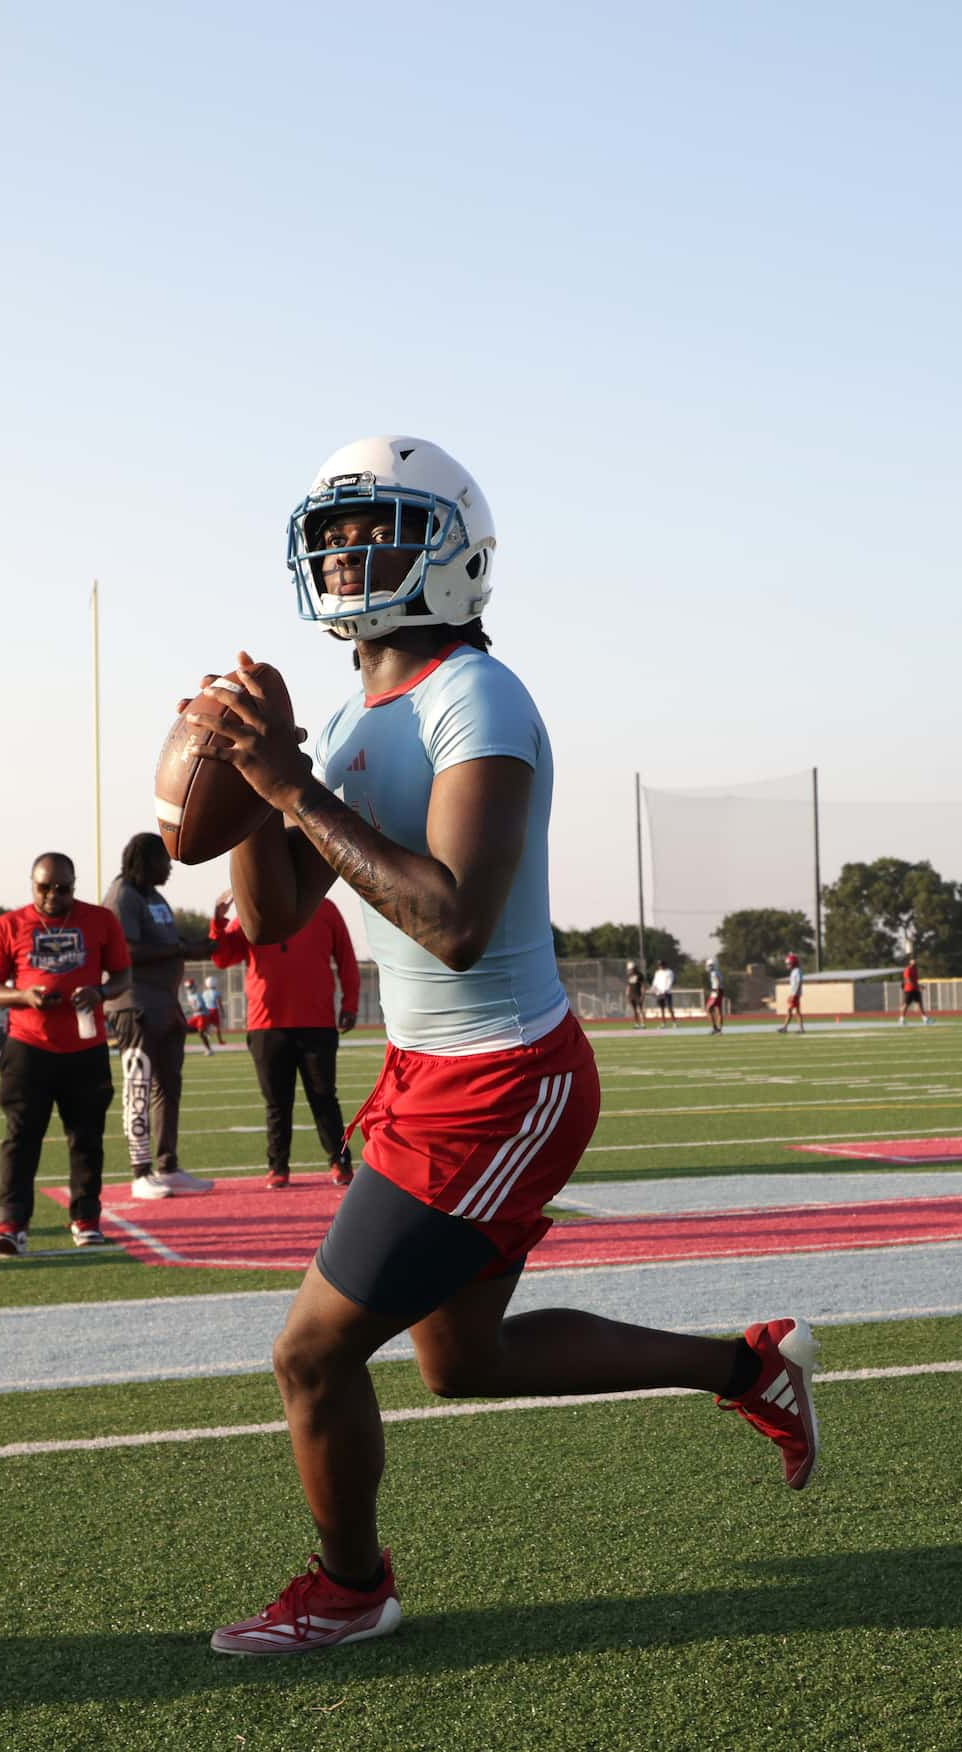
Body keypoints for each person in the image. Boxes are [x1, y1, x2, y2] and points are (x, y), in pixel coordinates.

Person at [186, 434, 819, 1655]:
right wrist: (256, 788)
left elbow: (456, 921)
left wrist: (295, 792)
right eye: (327, 534)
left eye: (373, 529)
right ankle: (746, 1370)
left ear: (453, 554)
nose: (341, 552)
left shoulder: (478, 694)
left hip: (500, 1078)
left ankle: (350, 1585)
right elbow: (272, 923)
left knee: (312, 1354)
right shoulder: (348, 711)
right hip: (429, 1071)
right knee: (458, 1363)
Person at [0, 852, 131, 1257]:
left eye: (62, 888)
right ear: (32, 884)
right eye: (44, 887)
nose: (53, 896)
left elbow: (122, 974)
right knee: (21, 1137)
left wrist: (100, 992)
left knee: (86, 1138)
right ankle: (12, 1224)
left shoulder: (100, 920)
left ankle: (85, 1219)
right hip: (28, 1047)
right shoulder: (8, 925)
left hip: (85, 1046)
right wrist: (22, 997)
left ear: (74, 885)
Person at [209, 887, 360, 1190]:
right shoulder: (253, 911)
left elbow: (346, 957)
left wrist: (350, 1004)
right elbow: (223, 958)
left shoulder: (325, 908)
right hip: (267, 1025)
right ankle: (278, 1167)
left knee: (324, 1097)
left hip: (317, 1022)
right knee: (277, 1103)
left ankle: (340, 1162)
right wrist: (218, 921)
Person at [102, 833, 215, 1201]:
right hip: (134, 1004)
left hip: (165, 1003)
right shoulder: (124, 896)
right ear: (145, 861)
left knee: (169, 1085)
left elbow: (167, 943)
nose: (169, 867)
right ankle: (140, 1171)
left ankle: (168, 1165)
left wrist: (195, 946)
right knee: (139, 1085)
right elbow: (126, 951)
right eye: (163, 861)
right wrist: (181, 949)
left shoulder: (153, 896)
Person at [182, 977, 216, 1054]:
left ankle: (209, 1049)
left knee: (200, 1033)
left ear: (194, 986)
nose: (189, 989)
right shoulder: (189, 996)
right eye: (188, 987)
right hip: (196, 1016)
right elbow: (194, 1008)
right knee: (185, 1029)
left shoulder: (197, 995)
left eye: (190, 987)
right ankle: (206, 1030)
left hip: (202, 1016)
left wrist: (188, 1011)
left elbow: (199, 1008)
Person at [778, 952, 805, 1033]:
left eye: (789, 964)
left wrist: (794, 994)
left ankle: (785, 1028)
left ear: (793, 964)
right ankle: (800, 1029)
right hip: (794, 994)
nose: (787, 965)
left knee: (790, 1010)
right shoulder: (794, 971)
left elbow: (799, 982)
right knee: (796, 1011)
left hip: (795, 994)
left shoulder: (797, 971)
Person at [898, 952, 929, 1025]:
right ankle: (901, 1019)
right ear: (910, 962)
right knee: (906, 1005)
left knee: (919, 1003)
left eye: (915, 960)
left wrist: (919, 986)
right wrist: (915, 985)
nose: (914, 961)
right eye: (913, 960)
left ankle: (925, 1018)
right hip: (909, 989)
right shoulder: (908, 969)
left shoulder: (915, 969)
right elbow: (907, 980)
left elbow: (915, 980)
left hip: (915, 989)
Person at [200, 974, 226, 1045]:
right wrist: (223, 1013)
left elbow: (203, 1002)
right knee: (217, 1026)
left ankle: (207, 1036)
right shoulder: (217, 993)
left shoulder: (204, 993)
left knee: (207, 1025)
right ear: (215, 983)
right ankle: (220, 1040)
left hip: (206, 1011)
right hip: (214, 1010)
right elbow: (219, 1004)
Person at [651, 960, 678, 1027]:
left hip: (667, 992)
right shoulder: (657, 972)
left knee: (669, 1008)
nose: (660, 966)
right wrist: (653, 989)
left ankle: (674, 1023)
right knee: (661, 1008)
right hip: (659, 992)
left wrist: (666, 990)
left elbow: (670, 981)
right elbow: (655, 982)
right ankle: (663, 1023)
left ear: (664, 965)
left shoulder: (669, 972)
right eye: (659, 965)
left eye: (661, 965)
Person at [704, 958, 725, 1034]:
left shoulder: (714, 973)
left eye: (710, 965)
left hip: (716, 991)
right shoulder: (717, 972)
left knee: (708, 1009)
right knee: (718, 1010)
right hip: (719, 991)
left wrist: (716, 992)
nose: (708, 967)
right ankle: (719, 1029)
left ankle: (715, 1028)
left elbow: (717, 981)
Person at [625, 960, 646, 1028]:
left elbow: (642, 985)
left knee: (640, 1009)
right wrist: (627, 994)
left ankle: (643, 1023)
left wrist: (642, 995)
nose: (630, 970)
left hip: (638, 994)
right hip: (631, 995)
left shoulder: (640, 975)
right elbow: (628, 986)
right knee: (634, 1010)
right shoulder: (629, 976)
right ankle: (636, 1023)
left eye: (631, 969)